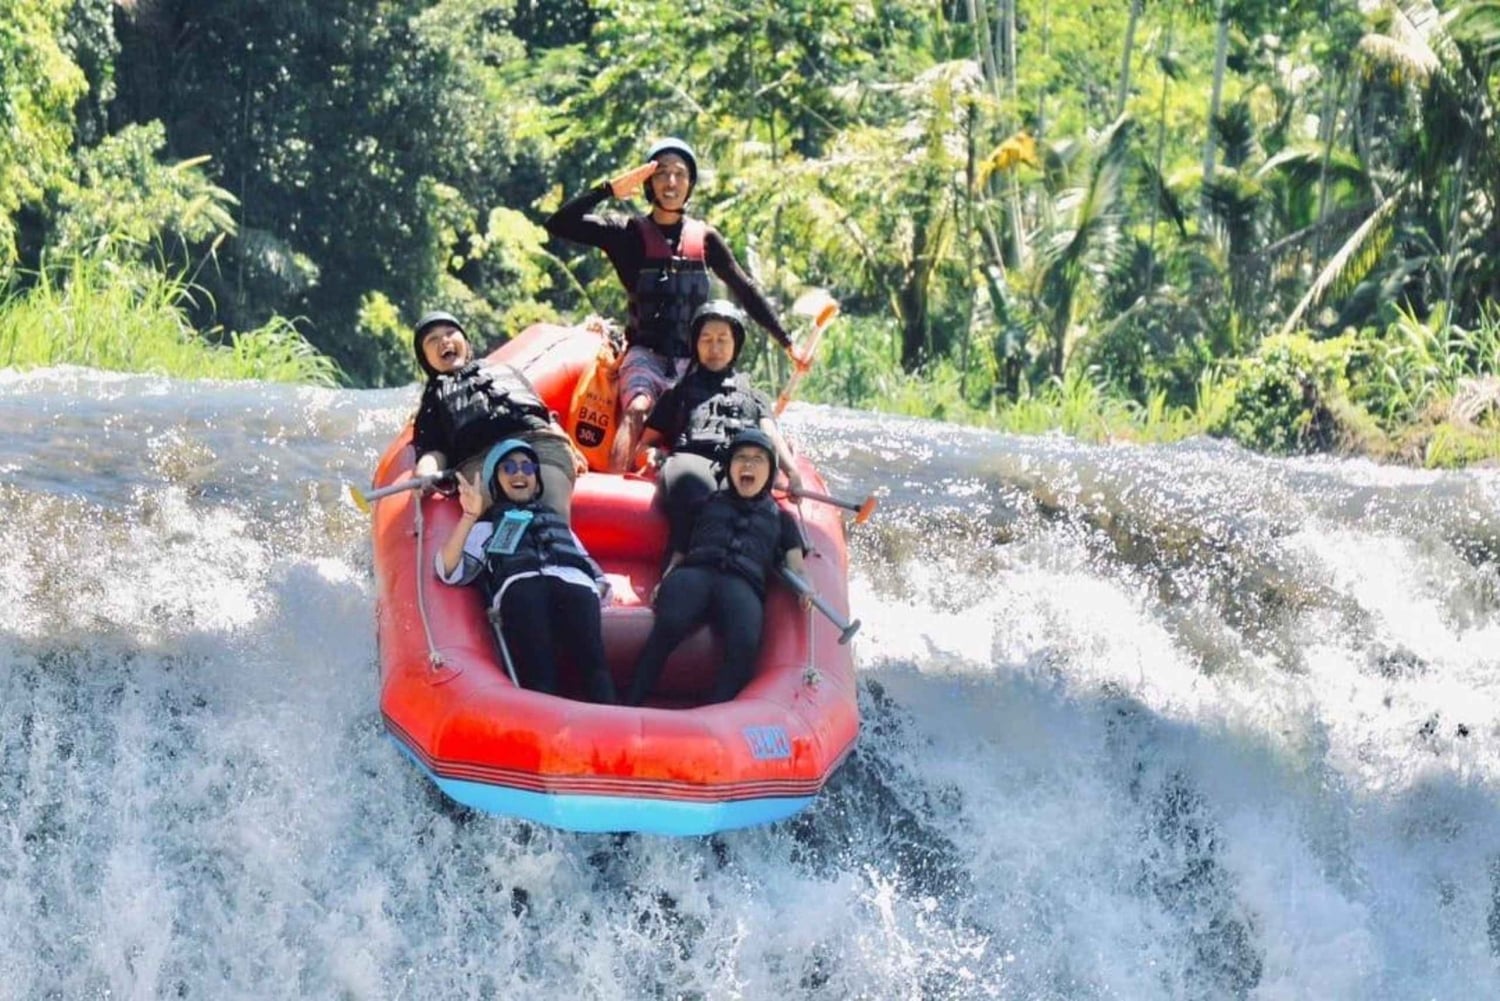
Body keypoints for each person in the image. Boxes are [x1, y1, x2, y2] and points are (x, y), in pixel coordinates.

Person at [543, 137, 809, 471]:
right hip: (645, 355)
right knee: (639, 407)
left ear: (690, 184)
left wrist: (787, 342)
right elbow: (557, 224)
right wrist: (609, 189)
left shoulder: (706, 239)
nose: (671, 182)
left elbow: (746, 289)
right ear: (648, 182)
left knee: (714, 418)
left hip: (694, 362)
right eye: (662, 174)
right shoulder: (625, 232)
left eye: (680, 174)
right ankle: (615, 485)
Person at [623, 429, 811, 707]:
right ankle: (631, 701)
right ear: (729, 467)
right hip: (695, 574)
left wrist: (805, 588)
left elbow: (795, 563)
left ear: (770, 471)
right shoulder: (703, 504)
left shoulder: (783, 521)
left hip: (742, 585)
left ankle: (715, 715)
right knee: (668, 625)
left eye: (758, 460)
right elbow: (679, 550)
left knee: (745, 644)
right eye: (741, 458)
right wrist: (666, 579)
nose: (748, 465)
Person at [435, 439, 619, 704]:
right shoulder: (485, 528)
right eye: (508, 468)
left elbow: (594, 572)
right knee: (539, 673)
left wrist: (599, 588)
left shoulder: (559, 526)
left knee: (595, 669)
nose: (519, 473)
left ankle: (611, 732)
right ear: (496, 481)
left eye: (526, 467)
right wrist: (469, 516)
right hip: (523, 586)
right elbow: (447, 569)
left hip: (575, 585)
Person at [637, 299, 803, 557]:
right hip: (692, 463)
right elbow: (646, 443)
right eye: (706, 339)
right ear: (695, 344)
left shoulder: (755, 395)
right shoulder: (677, 394)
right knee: (694, 490)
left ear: (735, 344)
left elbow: (770, 433)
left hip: (739, 463)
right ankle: (678, 564)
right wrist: (650, 454)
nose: (714, 348)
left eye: (722, 339)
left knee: (745, 501)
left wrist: (791, 472)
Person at [410, 310, 586, 519]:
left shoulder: (504, 370)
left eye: (450, 333)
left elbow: (543, 416)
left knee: (552, 513)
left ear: (466, 342)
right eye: (433, 339)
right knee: (504, 518)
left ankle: (556, 536)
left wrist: (569, 446)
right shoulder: (434, 399)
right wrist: (424, 474)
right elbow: (433, 449)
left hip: (539, 444)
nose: (444, 341)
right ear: (425, 358)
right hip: (482, 459)